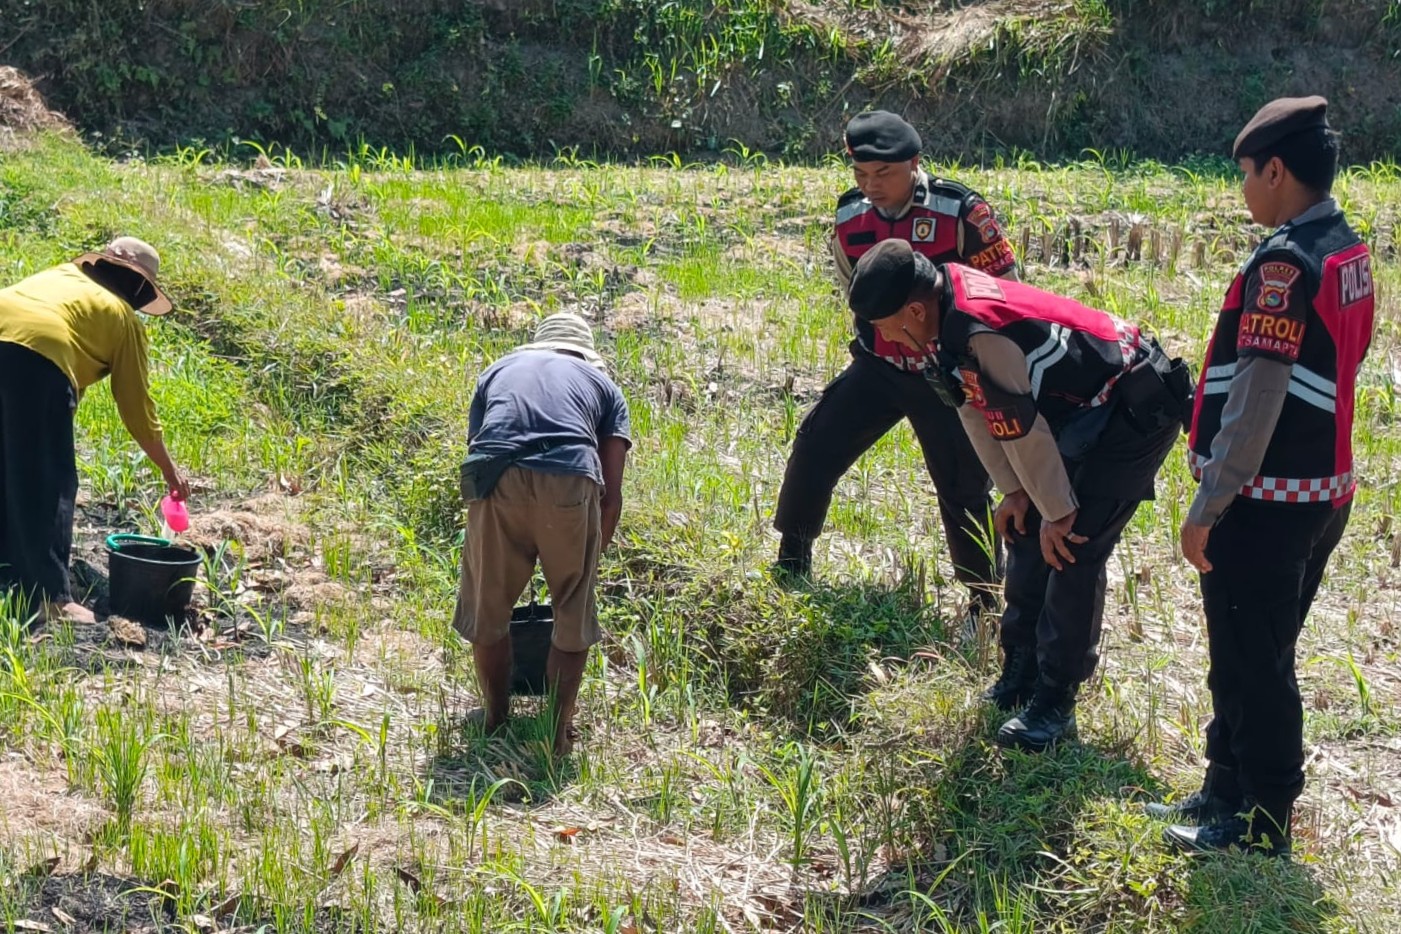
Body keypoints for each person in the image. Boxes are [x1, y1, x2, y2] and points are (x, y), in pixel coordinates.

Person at [845, 239, 1191, 751]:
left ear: (914, 310)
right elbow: (973, 407)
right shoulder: (942, 320)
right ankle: (1020, 674)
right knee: (1024, 530)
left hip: (1132, 404)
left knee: (1073, 545)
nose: (885, 338)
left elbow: (1024, 431)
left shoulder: (980, 331)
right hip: (1074, 410)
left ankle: (1055, 702)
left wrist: (1057, 511)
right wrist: (1014, 492)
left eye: (886, 326)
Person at [1149, 97, 1374, 857]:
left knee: (1255, 660)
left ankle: (1260, 820)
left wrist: (1208, 502)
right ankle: (1223, 788)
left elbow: (1256, 396)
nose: (1242, 188)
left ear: (1275, 170)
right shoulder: (1344, 246)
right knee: (1247, 650)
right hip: (1323, 489)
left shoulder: (1283, 263)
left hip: (1266, 498)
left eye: (1245, 174)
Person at [773, 110, 1017, 629]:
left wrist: (971, 365)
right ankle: (791, 562)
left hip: (947, 373)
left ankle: (983, 602)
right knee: (816, 445)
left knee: (962, 487)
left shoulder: (961, 212)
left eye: (882, 175)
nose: (870, 186)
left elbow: (1008, 295)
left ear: (914, 164)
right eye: (860, 175)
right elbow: (853, 290)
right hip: (881, 365)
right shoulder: (848, 217)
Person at [453, 312, 631, 756]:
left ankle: (495, 720)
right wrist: (588, 558)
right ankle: (556, 735)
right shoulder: (604, 387)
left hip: (496, 480)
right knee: (572, 613)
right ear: (586, 354)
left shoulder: (497, 370)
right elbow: (611, 495)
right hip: (570, 479)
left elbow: (480, 451)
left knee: (489, 607)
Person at [0, 237, 189, 625]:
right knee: (50, 481)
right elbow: (136, 408)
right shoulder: (122, 315)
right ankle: (51, 599)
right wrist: (170, 471)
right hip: (37, 354)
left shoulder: (60, 278)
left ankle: (8, 574)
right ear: (139, 287)